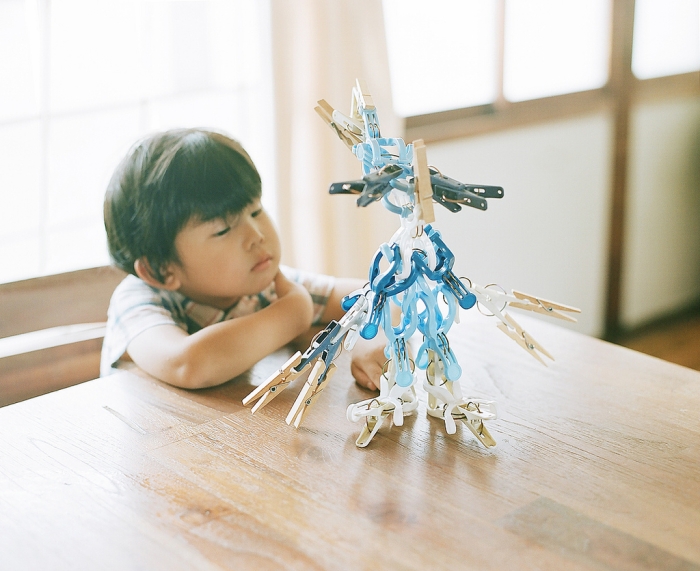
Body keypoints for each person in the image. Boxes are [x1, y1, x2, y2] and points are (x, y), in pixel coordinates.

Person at [101, 128, 384, 391]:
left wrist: (368, 341)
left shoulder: (266, 285)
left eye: (255, 211)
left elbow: (379, 294)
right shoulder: (137, 301)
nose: (256, 235)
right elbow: (189, 365)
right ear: (161, 270)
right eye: (223, 230)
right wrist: (291, 316)